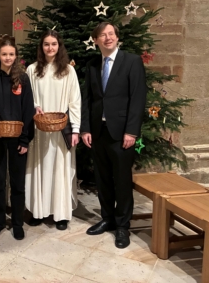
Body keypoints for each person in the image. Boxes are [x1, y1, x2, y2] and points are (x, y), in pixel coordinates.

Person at [81, 22, 146, 249]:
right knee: (103, 179)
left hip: (121, 133)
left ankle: (122, 226)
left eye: (111, 34)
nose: (107, 37)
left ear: (117, 38)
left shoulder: (132, 61)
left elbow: (138, 98)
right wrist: (86, 128)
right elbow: (88, 99)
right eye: (102, 35)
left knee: (122, 181)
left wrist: (131, 131)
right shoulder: (92, 65)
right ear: (96, 40)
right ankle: (107, 218)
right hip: (98, 133)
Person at [0, 39, 35, 240]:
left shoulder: (23, 78)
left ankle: (18, 223)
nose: (8, 58)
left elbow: (28, 110)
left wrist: (25, 140)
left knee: (18, 183)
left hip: (18, 139)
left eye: (11, 54)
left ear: (16, 56)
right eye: (4, 54)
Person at [25, 30, 81, 230]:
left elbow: (75, 101)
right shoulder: (32, 70)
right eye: (46, 44)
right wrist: (34, 107)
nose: (50, 48)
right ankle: (38, 211)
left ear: (59, 46)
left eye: (53, 44)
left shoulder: (68, 70)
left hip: (60, 129)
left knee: (59, 169)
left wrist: (75, 129)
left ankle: (60, 214)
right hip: (39, 129)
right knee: (39, 167)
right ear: (41, 47)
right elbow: (27, 97)